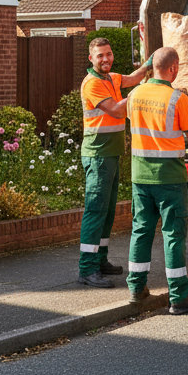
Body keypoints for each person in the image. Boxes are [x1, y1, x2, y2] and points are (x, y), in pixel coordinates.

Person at [125, 47, 188, 314]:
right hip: (169, 179)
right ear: (173, 69)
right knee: (173, 235)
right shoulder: (176, 99)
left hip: (140, 176)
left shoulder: (134, 95)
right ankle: (179, 297)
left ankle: (136, 290)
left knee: (141, 231)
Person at [76, 37, 152, 288]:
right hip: (97, 155)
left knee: (107, 211)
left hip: (111, 154)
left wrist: (152, 61)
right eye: (100, 56)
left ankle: (100, 260)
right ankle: (87, 269)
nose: (106, 59)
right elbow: (118, 110)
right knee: (95, 210)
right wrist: (140, 94)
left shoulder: (112, 78)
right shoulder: (93, 84)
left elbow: (135, 76)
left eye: (108, 54)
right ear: (91, 59)